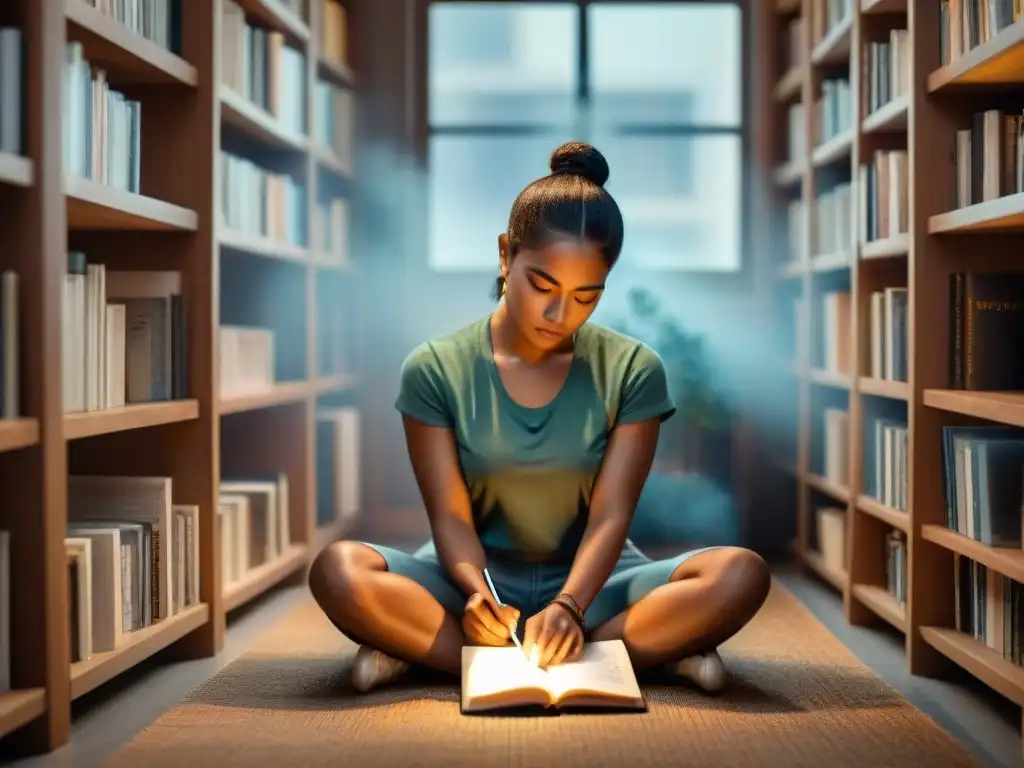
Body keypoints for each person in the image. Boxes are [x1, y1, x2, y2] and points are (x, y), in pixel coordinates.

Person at [308, 141, 771, 695]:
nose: (560, 315)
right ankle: (633, 656)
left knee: (740, 574)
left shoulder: (633, 368)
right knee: (338, 570)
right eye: (542, 286)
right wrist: (477, 595)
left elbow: (610, 517)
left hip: (597, 580)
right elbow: (452, 520)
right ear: (507, 255)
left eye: (586, 296)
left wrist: (571, 605)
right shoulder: (433, 367)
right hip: (471, 578)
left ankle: (429, 653)